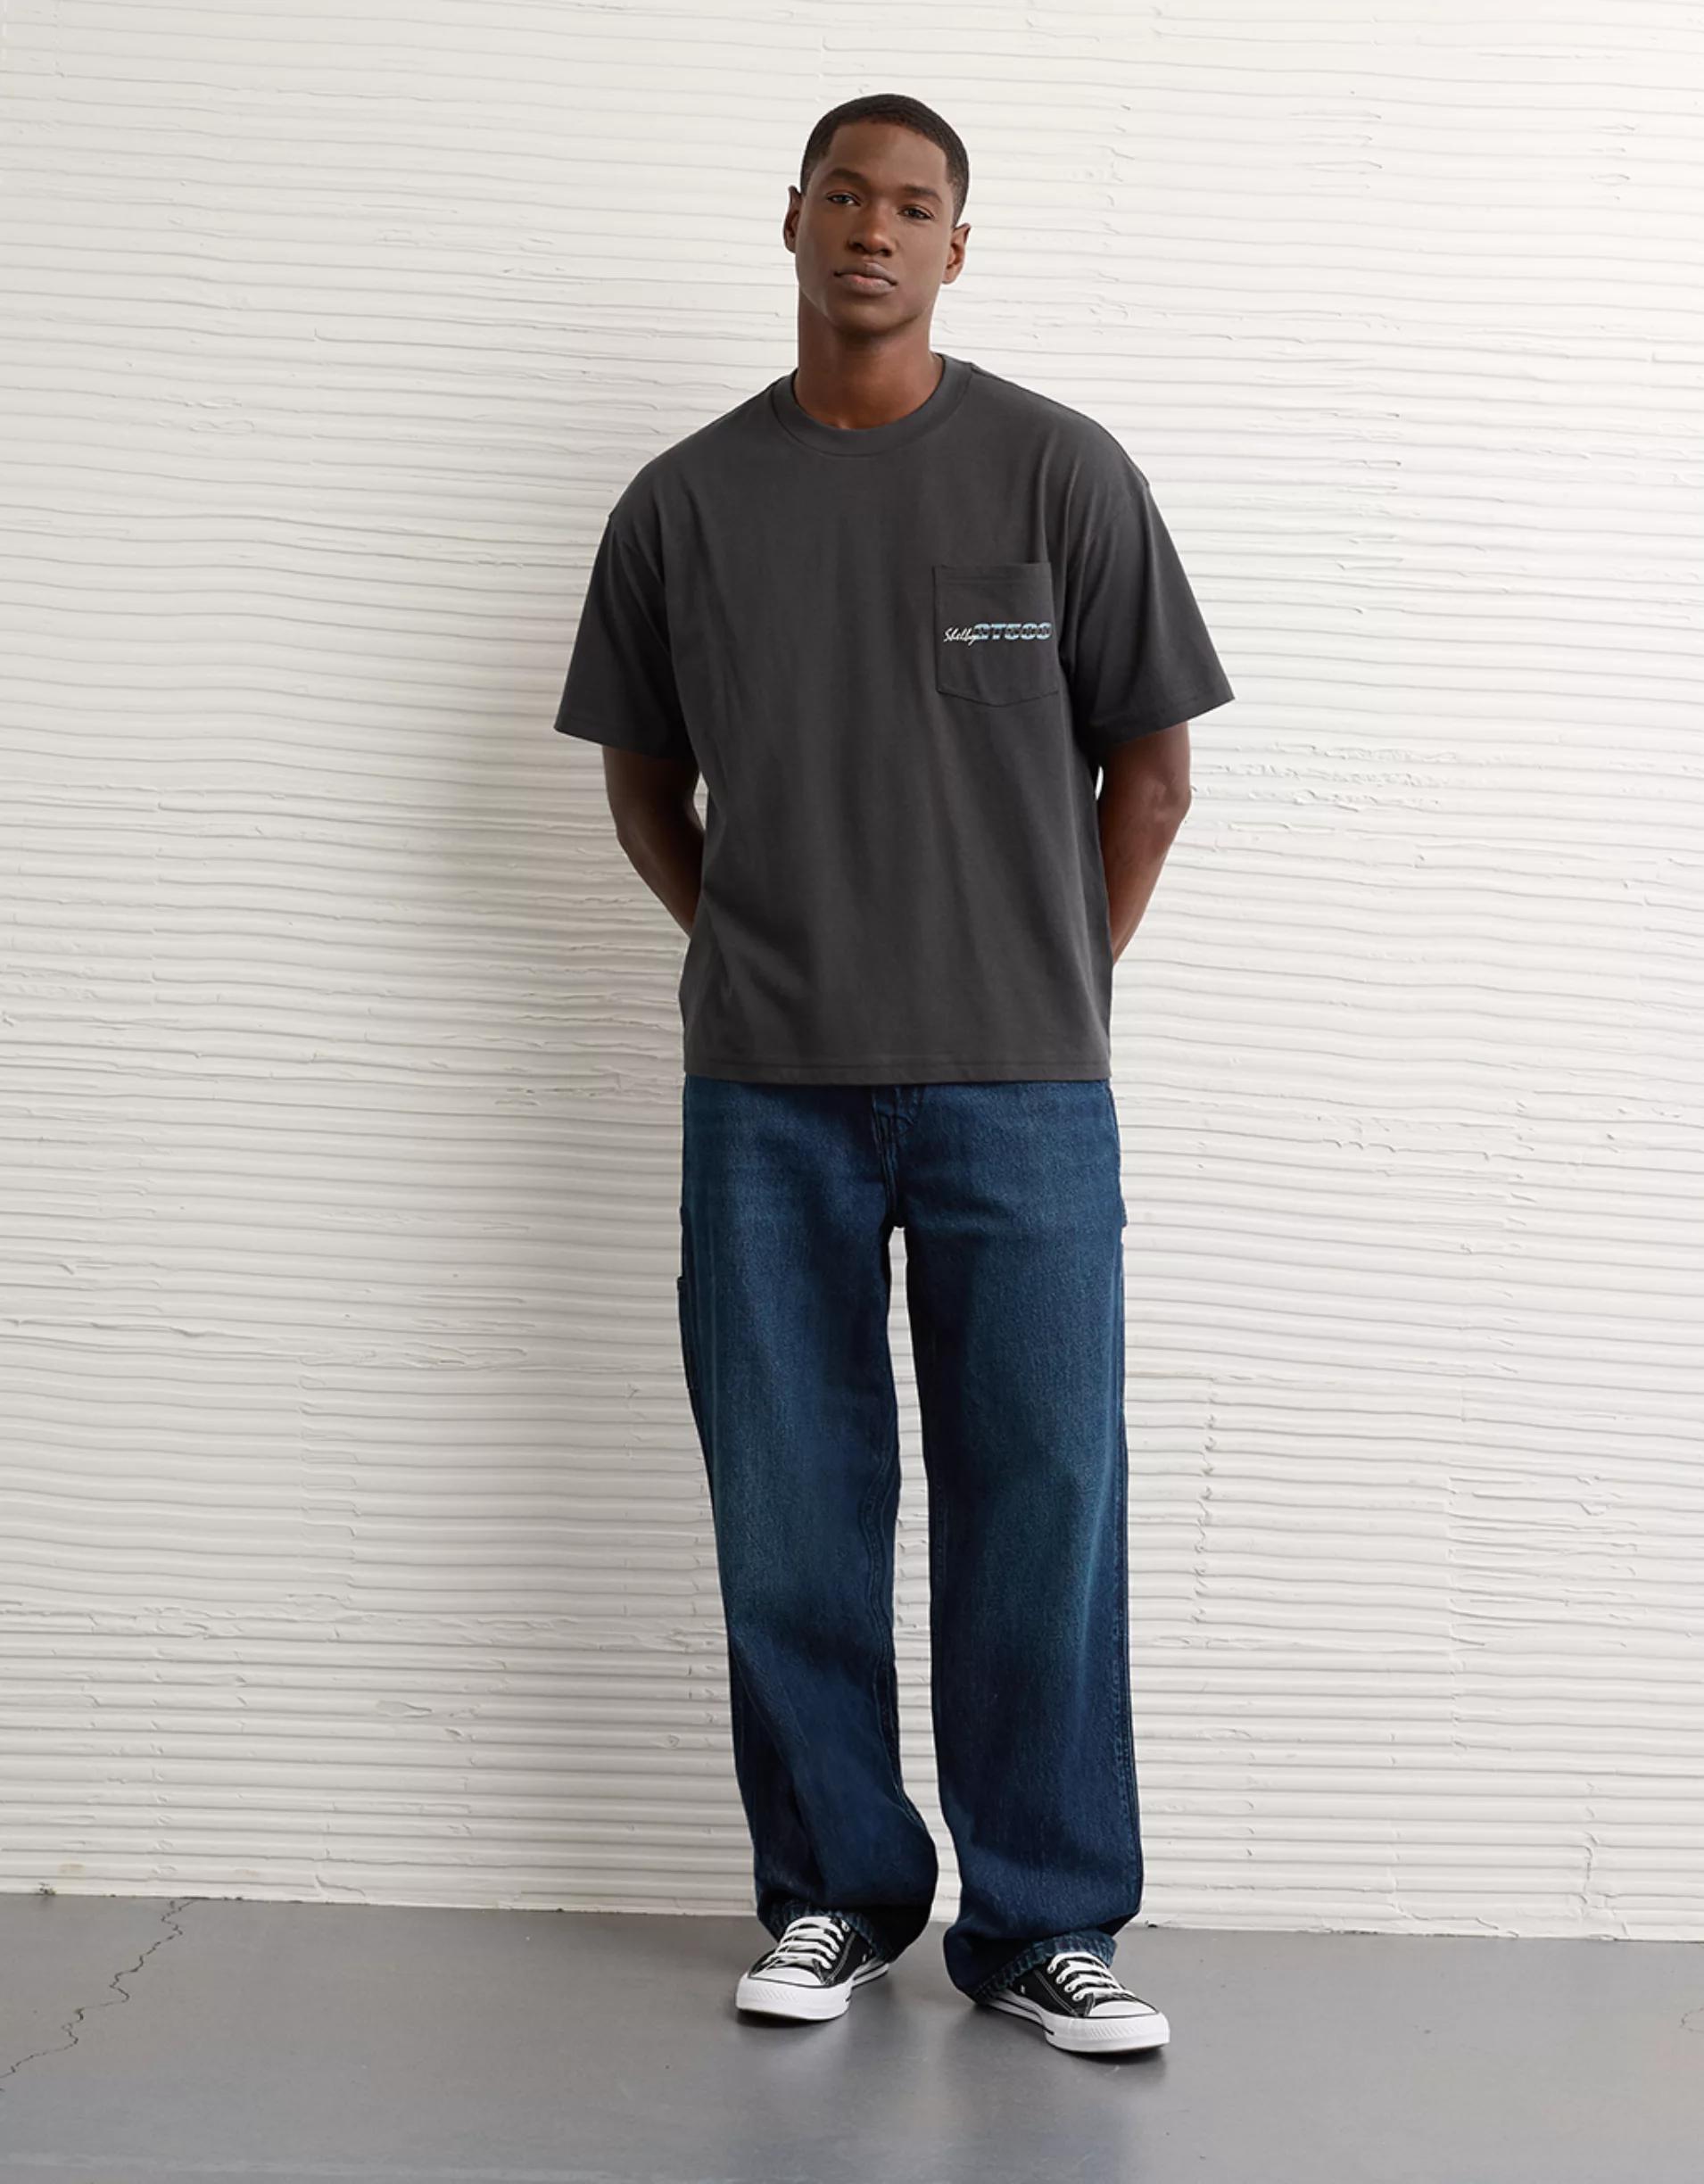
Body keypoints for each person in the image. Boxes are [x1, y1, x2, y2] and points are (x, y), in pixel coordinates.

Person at [552, 92, 1234, 2056]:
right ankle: (836, 1895)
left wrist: (1045, 980)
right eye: (843, 196)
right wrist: (753, 955)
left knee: (1044, 1495)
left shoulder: (1057, 474)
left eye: (913, 205)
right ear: (790, 221)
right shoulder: (683, 505)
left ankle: (1043, 1926)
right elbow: (642, 787)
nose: (874, 228)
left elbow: (1153, 776)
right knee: (790, 1502)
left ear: (955, 246)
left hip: (1026, 1092)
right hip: (766, 1094)